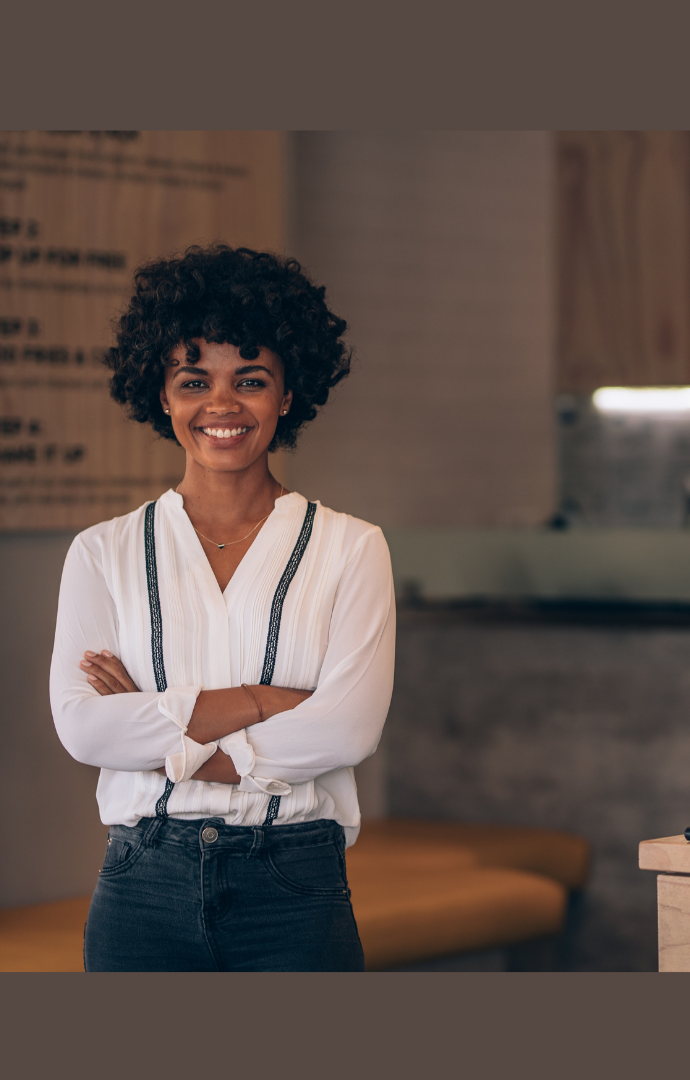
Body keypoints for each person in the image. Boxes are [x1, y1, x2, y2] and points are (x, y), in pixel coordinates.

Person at [49, 244, 395, 971]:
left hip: (294, 886)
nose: (222, 405)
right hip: (142, 887)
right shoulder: (102, 553)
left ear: (288, 394)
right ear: (163, 394)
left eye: (251, 380)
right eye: (194, 380)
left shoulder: (352, 548)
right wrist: (266, 700)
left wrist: (158, 727)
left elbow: (347, 730)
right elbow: (85, 729)